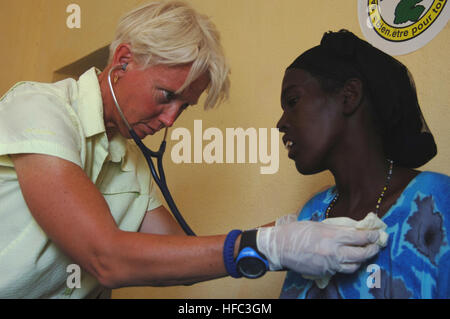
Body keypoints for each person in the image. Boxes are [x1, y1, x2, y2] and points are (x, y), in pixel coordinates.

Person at [0, 2, 381, 298]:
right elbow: (106, 257)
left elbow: (177, 255)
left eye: (183, 107)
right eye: (167, 96)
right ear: (123, 62)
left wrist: (287, 233)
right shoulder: (39, 108)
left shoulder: (130, 161)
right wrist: (270, 246)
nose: (170, 120)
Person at [277, 30, 450, 299]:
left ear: (349, 96)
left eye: (292, 101)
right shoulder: (312, 214)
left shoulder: (437, 201)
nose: (280, 123)